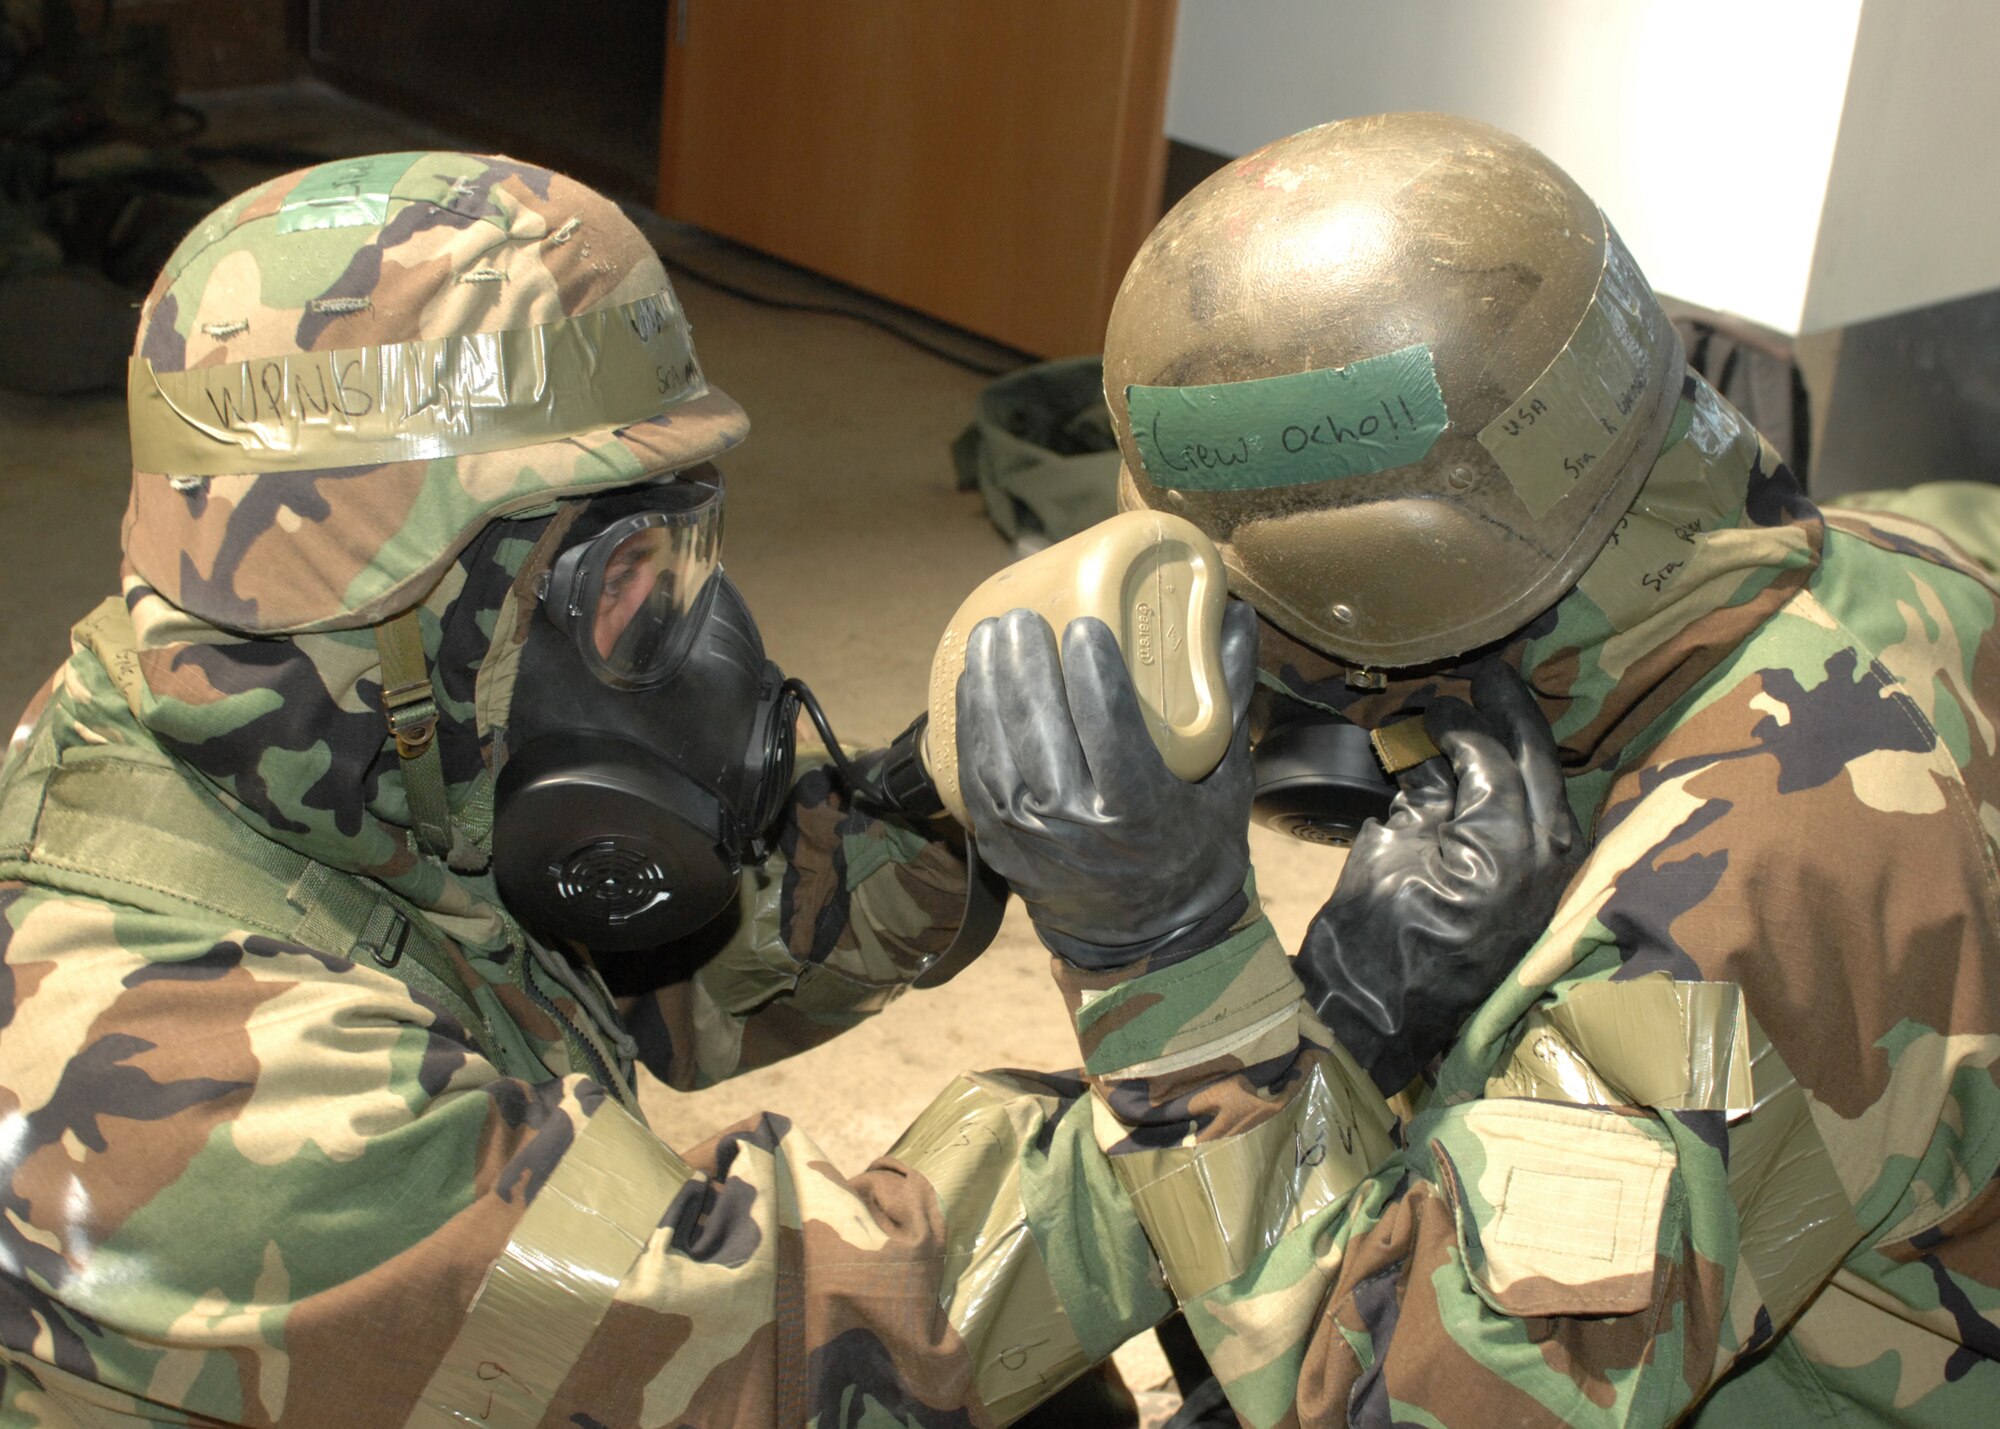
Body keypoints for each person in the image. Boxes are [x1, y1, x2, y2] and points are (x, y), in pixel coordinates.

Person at [0, 149, 1574, 1427]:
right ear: (400, 592)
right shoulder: (176, 1079)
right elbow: (813, 1335)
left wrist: (995, 800)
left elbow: (647, 967)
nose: (718, 643)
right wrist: (1282, 998)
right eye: (635, 579)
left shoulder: (309, 736)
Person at [958, 112, 2000, 1426]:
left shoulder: (1713, 919)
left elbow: (1390, 1403)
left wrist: (1170, 969)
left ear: (1369, 586)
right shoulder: (1929, 535)